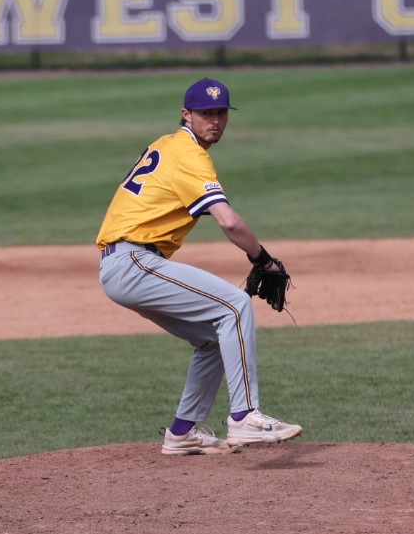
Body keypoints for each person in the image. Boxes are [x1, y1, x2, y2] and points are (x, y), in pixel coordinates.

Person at [95, 77, 303, 455]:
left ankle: (182, 433)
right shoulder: (190, 155)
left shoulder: (167, 144)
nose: (216, 121)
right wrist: (262, 259)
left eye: (222, 112)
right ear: (186, 114)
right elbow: (229, 221)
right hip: (133, 261)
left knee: (212, 339)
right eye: (206, 113)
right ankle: (244, 417)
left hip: (126, 264)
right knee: (234, 306)